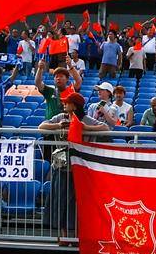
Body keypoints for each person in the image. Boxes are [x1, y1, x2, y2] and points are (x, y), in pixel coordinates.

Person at [38, 90, 109, 236]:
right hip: (61, 167)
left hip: (80, 167)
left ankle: (77, 235)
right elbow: (41, 127)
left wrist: (86, 128)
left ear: (75, 106)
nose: (64, 104)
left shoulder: (87, 120)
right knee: (60, 200)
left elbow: (106, 128)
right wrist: (58, 126)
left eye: (67, 102)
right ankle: (64, 235)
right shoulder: (60, 117)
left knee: (77, 202)